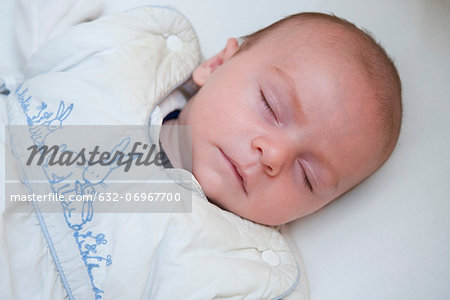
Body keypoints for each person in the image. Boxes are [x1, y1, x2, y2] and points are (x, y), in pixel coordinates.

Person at [160, 12, 402, 225]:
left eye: (307, 176)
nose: (275, 155)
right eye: (270, 106)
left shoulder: (244, 267)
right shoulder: (133, 77)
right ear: (216, 65)